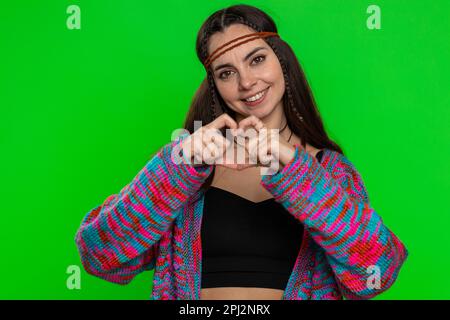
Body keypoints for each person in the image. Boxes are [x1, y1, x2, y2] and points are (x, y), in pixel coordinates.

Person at [75, 4, 408, 300]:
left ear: (282, 61)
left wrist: (296, 168)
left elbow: (376, 274)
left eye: (257, 59)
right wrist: (176, 167)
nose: (247, 82)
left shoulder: (329, 172)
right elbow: (100, 257)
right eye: (226, 73)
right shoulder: (187, 172)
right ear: (215, 85)